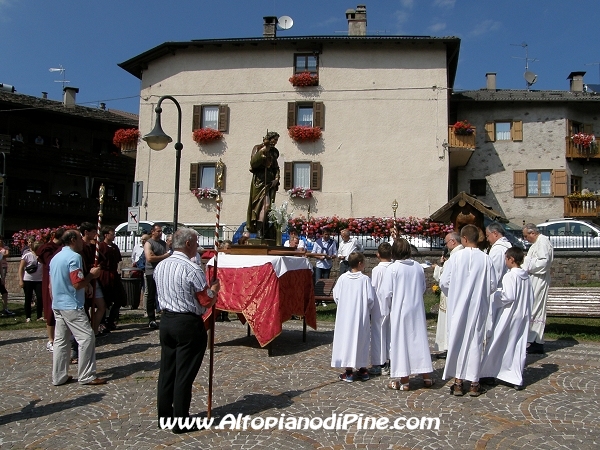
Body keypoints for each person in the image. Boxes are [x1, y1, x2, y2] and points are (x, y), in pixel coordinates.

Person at [154, 228, 219, 433]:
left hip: (167, 320)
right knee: (183, 374)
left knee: (167, 371)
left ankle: (164, 416)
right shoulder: (192, 268)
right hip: (187, 322)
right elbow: (205, 300)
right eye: (196, 242)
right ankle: (180, 420)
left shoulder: (161, 265)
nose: (198, 246)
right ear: (189, 243)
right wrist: (215, 291)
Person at [440, 224, 497, 397]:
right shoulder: (486, 259)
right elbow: (493, 284)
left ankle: (458, 383)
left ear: (464, 239)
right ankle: (474, 383)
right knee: (475, 342)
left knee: (457, 340)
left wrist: (456, 292)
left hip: (458, 307)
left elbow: (444, 282)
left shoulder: (455, 259)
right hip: (478, 308)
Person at [49, 229, 106, 386]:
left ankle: (59, 376)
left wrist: (84, 285)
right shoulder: (74, 257)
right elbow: (77, 283)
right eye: (80, 238)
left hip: (58, 303)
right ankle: (87, 375)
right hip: (71, 305)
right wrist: (91, 276)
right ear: (73, 240)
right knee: (87, 337)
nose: (83, 241)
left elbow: (52, 283)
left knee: (61, 341)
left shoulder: (56, 257)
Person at [378, 239, 434, 390]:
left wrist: (385, 310)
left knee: (402, 343)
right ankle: (426, 377)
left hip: (400, 310)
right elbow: (423, 288)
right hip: (416, 308)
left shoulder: (393, 268)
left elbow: (385, 292)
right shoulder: (418, 267)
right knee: (419, 340)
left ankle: (404, 380)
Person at [480, 247, 533, 389]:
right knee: (516, 345)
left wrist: (495, 294)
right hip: (523, 314)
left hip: (510, 315)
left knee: (498, 342)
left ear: (511, 259)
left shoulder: (510, 276)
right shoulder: (526, 276)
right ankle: (513, 376)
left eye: (505, 259)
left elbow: (508, 296)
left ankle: (488, 373)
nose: (505, 262)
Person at [331, 252, 374, 383]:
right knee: (361, 339)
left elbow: (336, 296)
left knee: (347, 340)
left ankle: (349, 371)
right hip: (360, 316)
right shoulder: (365, 280)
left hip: (346, 316)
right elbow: (370, 299)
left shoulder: (343, 279)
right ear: (360, 264)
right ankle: (362, 368)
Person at [522, 223, 554, 354]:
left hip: (539, 280)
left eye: (526, 236)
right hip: (534, 279)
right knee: (532, 308)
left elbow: (544, 262)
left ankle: (536, 341)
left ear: (532, 233)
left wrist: (526, 263)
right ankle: (532, 339)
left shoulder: (543, 242)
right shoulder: (537, 243)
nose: (525, 239)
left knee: (536, 309)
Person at [432, 231, 463, 357]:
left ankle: (449, 348)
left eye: (446, 242)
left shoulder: (455, 256)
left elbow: (444, 279)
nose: (445, 245)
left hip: (451, 294)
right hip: (459, 294)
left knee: (449, 321)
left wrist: (437, 269)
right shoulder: (461, 254)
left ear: (453, 241)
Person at [247, 131, 280, 239]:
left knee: (268, 207)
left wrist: (276, 178)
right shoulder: (258, 147)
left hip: (270, 183)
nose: (275, 142)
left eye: (276, 141)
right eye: (274, 140)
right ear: (269, 139)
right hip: (260, 182)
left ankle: (263, 229)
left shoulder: (274, 152)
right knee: (263, 205)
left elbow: (276, 168)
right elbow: (253, 163)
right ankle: (259, 229)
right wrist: (263, 151)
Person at [37, 228, 65, 351]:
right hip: (50, 280)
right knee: (50, 310)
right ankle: (50, 339)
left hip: (61, 281)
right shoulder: (48, 248)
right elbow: (49, 262)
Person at [368, 242, 393, 376]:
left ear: (378, 255)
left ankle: (379, 363)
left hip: (379, 304)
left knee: (378, 334)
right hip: (392, 304)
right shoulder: (394, 267)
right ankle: (390, 360)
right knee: (390, 333)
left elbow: (374, 287)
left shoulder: (377, 270)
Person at [97, 226, 126, 331]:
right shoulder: (100, 246)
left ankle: (111, 320)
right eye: (112, 234)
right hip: (104, 275)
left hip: (113, 274)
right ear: (106, 235)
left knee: (119, 298)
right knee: (105, 299)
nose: (113, 236)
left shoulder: (114, 247)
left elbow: (118, 261)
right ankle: (102, 322)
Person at [144, 224, 170, 329]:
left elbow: (169, 255)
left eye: (161, 231)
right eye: (158, 231)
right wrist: (164, 256)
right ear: (153, 232)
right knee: (151, 295)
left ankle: (165, 315)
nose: (160, 233)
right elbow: (150, 258)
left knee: (163, 294)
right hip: (151, 272)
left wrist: (158, 257)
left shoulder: (163, 244)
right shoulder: (149, 243)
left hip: (162, 272)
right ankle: (151, 319)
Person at [18, 241, 43, 322]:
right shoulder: (27, 255)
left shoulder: (42, 257)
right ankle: (28, 316)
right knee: (28, 298)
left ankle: (39, 316)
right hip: (28, 279)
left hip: (39, 280)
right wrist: (21, 280)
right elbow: (21, 268)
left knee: (40, 297)